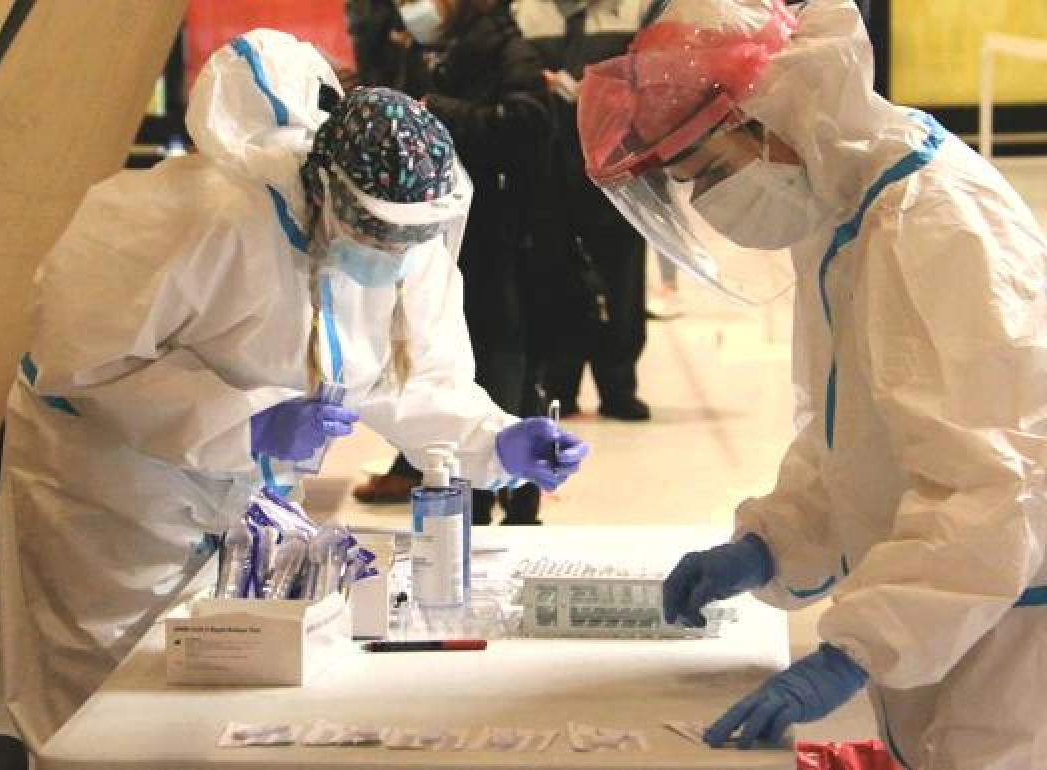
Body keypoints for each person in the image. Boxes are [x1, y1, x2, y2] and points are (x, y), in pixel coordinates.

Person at [0, 29, 588, 750]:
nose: (392, 258)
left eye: (408, 242)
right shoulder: (206, 218)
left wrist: (495, 439)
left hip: (247, 493)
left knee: (224, 691)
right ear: (327, 190)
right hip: (115, 492)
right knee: (110, 698)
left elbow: (414, 376)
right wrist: (245, 422)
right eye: (377, 236)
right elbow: (79, 362)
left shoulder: (407, 240)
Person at [578, 0, 1047, 766]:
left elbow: (1000, 486)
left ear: (778, 111)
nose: (714, 202)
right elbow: (859, 435)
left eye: (714, 171)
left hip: (1007, 634)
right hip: (954, 618)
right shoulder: (844, 207)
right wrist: (774, 541)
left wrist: (862, 648)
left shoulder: (938, 224)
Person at [352, 0, 557, 526]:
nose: (413, 8)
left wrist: (442, 110)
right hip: (423, 226)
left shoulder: (507, 50)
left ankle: (508, 492)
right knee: (425, 345)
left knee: (496, 352)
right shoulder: (420, 50)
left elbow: (530, 123)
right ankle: (450, 474)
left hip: (494, 230)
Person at [514, 0, 653, 419]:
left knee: (621, 277)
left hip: (615, 170)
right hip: (544, 168)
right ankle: (559, 384)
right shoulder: (524, 11)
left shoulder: (635, 9)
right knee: (552, 272)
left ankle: (618, 383)